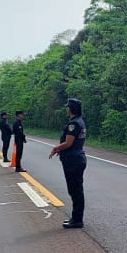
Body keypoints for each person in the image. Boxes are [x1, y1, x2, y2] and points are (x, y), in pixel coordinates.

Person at [48, 98, 86, 228]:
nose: (66, 109)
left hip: (73, 160)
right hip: (76, 158)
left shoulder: (74, 124)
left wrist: (56, 148)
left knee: (75, 190)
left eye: (67, 107)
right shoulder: (79, 122)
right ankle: (76, 218)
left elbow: (68, 143)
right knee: (76, 189)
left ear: (71, 108)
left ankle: (77, 220)